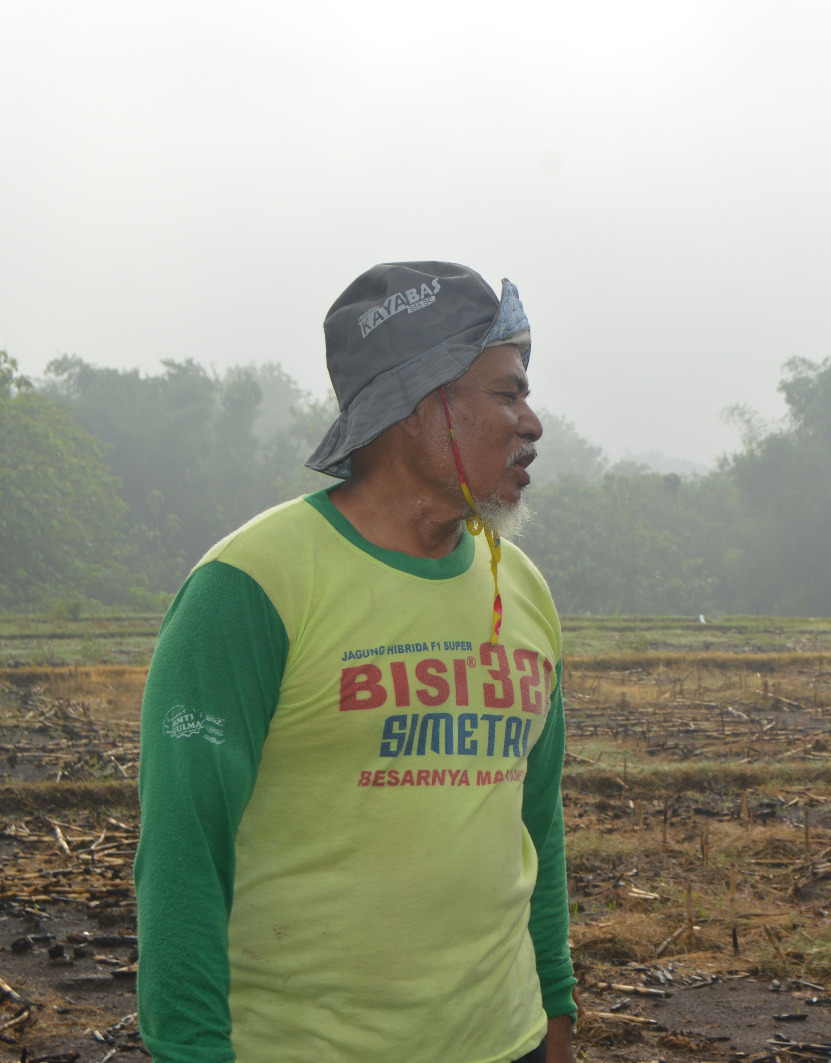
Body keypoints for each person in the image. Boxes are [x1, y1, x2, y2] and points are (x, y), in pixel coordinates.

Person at [134, 262, 576, 1063]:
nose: (533, 422)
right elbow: (181, 860)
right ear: (421, 404)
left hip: (505, 1043)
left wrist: (556, 1012)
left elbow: (535, 827)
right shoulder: (249, 587)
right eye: (508, 394)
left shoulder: (524, 589)